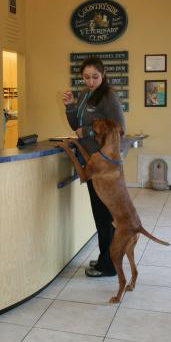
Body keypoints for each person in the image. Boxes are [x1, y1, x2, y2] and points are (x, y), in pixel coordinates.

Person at [63, 56, 126, 277]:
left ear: (103, 75)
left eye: (95, 77)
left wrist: (88, 132)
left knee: (105, 214)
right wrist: (70, 106)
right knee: (100, 214)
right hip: (92, 161)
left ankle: (108, 265)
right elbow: (75, 125)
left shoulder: (108, 96)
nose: (90, 81)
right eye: (86, 77)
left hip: (105, 165)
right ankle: (104, 259)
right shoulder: (84, 94)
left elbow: (119, 128)